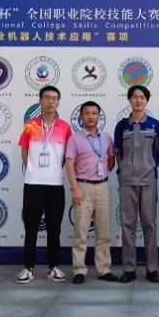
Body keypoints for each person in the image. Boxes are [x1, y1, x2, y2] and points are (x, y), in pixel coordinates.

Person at [17, 85, 72, 284]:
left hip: (55, 185)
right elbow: (24, 151)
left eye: (54, 98)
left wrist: (54, 170)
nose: (51, 101)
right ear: (40, 101)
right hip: (33, 184)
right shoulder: (30, 125)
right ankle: (28, 268)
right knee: (31, 228)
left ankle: (53, 267)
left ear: (58, 102)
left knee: (54, 228)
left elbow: (67, 156)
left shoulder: (65, 127)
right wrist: (33, 171)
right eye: (47, 98)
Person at [113, 85, 159, 283]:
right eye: (135, 97)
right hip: (127, 182)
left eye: (142, 97)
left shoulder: (154, 125)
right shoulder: (122, 126)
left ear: (147, 101)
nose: (138, 100)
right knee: (127, 225)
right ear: (129, 100)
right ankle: (129, 269)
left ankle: (152, 269)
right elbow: (118, 152)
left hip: (149, 182)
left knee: (149, 224)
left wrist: (152, 169)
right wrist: (123, 170)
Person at [65, 101, 119, 284]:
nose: (90, 116)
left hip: (103, 187)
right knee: (81, 232)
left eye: (94, 113)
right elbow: (69, 164)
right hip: (83, 187)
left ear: (99, 116)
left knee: (103, 232)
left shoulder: (107, 138)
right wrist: (75, 188)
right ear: (81, 117)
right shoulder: (75, 139)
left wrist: (102, 176)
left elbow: (111, 160)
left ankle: (104, 269)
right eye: (87, 113)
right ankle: (79, 270)